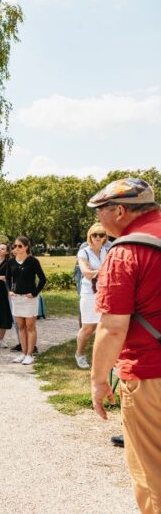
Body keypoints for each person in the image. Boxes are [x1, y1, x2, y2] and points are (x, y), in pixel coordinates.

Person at [88, 178, 161, 513]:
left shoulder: (126, 251)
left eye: (100, 213)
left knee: (152, 472)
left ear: (119, 210)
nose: (99, 221)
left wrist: (98, 380)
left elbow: (113, 327)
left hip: (150, 373)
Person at [5, 236, 46, 366]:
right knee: (21, 326)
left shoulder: (33, 261)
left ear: (26, 247)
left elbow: (43, 279)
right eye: (14, 246)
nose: (16, 248)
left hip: (29, 299)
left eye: (19, 246)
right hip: (16, 299)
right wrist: (9, 291)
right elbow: (7, 279)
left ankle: (30, 354)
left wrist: (34, 293)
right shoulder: (11, 262)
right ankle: (23, 353)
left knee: (30, 326)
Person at [74, 222, 109, 369]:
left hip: (105, 291)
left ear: (105, 237)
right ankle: (79, 354)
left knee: (106, 326)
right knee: (88, 327)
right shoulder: (84, 252)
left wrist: (98, 272)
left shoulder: (107, 251)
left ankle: (104, 358)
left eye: (101, 235)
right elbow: (86, 274)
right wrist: (105, 272)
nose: (98, 237)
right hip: (89, 293)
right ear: (90, 236)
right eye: (95, 235)